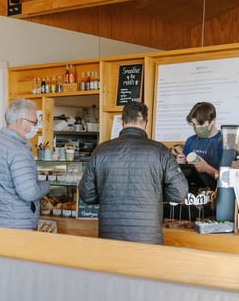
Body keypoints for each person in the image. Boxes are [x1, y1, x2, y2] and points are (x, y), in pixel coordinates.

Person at [78, 101, 188, 244]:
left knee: (111, 267)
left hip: (109, 236)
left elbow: (86, 194)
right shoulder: (160, 151)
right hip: (147, 237)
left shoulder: (101, 150)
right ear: (146, 123)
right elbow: (180, 192)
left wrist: (108, 194)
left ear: (122, 122)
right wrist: (155, 193)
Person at [0, 98, 50, 230]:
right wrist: (47, 185)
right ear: (19, 122)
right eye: (34, 122)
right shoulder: (18, 150)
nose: (36, 126)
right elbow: (29, 193)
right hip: (15, 222)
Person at [176, 102, 223, 188]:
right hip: (191, 192)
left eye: (200, 124)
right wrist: (182, 163)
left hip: (214, 194)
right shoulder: (190, 141)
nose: (197, 128)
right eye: (194, 124)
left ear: (213, 121)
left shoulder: (224, 143)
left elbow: (228, 179)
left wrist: (207, 169)